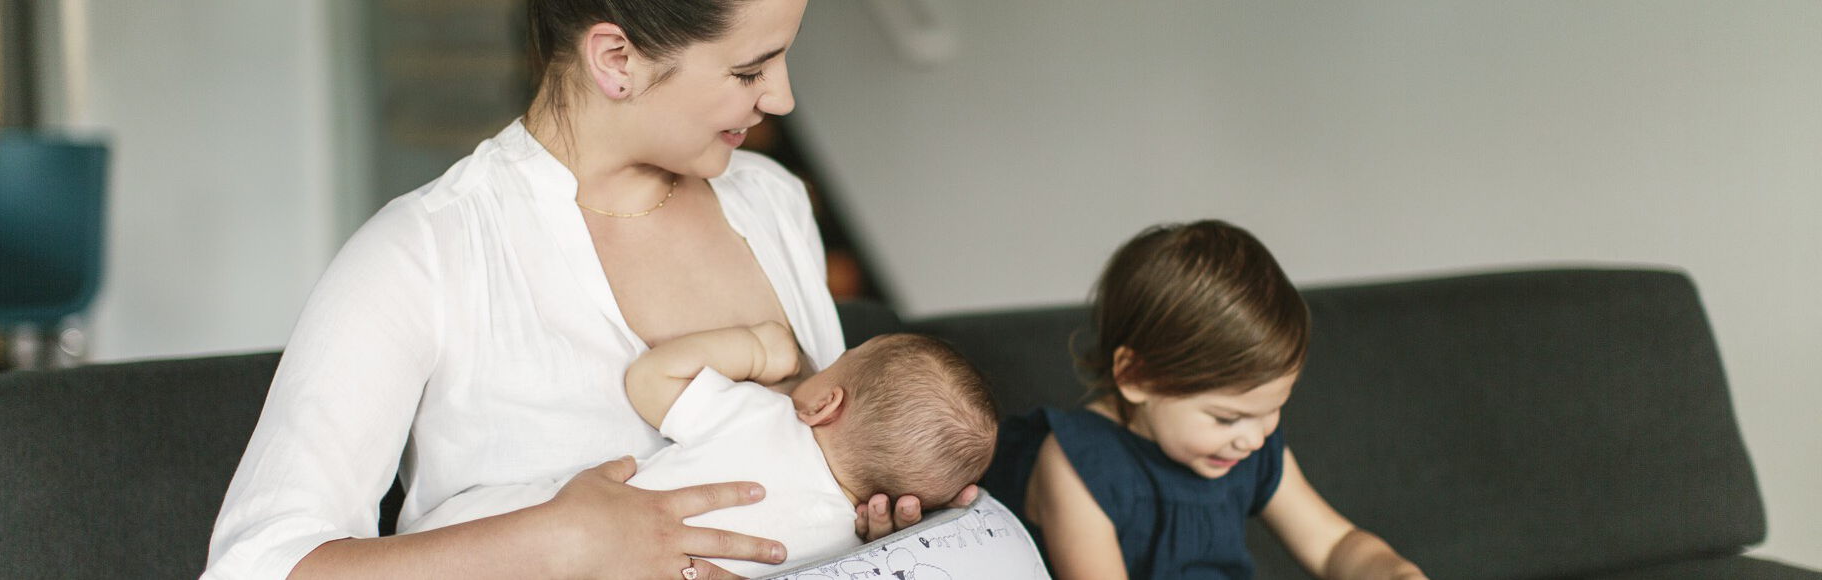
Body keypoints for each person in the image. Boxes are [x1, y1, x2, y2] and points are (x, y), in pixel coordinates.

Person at [204, 1, 968, 578]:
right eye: (749, 70)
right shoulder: (424, 253)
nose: (782, 99)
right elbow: (256, 565)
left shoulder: (772, 202)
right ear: (615, 58)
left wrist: (860, 524)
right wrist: (558, 543)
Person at [981, 221, 1427, 580]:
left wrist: (1392, 571)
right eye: (1227, 418)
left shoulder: (1249, 449)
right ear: (1136, 376)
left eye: (1273, 410)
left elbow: (1332, 545)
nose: (1253, 438)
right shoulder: (1076, 465)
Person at [413, 323, 999, 577]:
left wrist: (756, 349)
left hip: (522, 541)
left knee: (479, 529)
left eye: (840, 359)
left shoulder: (765, 418)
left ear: (826, 403)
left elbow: (650, 379)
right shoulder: (847, 548)